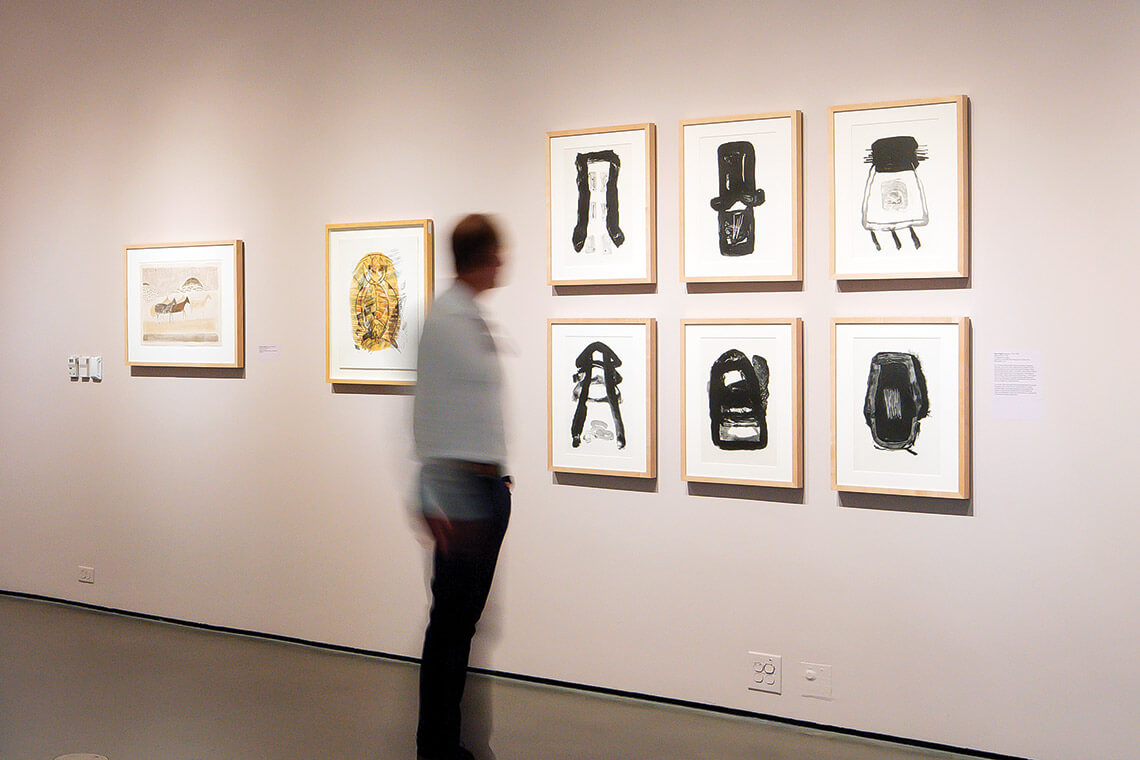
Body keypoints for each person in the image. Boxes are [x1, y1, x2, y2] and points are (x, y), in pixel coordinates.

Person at [413, 214, 510, 760]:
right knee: (451, 629)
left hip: (481, 491)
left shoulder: (467, 315)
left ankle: (448, 742)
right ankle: (438, 748)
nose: (504, 263)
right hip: (463, 498)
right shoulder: (448, 320)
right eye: (498, 253)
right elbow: (428, 419)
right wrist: (434, 498)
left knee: (461, 627)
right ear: (481, 257)